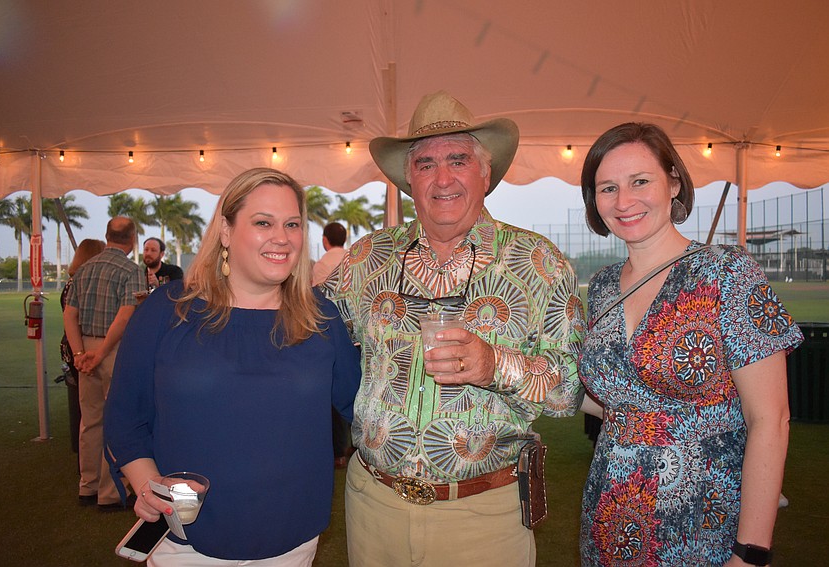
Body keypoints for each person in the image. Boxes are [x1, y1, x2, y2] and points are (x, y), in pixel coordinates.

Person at [320, 91, 584, 567]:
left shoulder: (538, 263)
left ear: (485, 173)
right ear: (409, 179)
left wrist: (494, 365)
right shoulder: (365, 260)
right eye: (426, 164)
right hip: (373, 507)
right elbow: (305, 337)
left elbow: (568, 392)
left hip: (483, 516)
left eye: (458, 160)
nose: (443, 178)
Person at [104, 168, 361, 565]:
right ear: (225, 230)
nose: (282, 237)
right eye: (263, 223)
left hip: (291, 539)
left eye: (292, 224)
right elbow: (124, 419)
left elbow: (365, 406)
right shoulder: (167, 310)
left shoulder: (320, 319)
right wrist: (148, 484)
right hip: (186, 540)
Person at [577, 122, 803, 566]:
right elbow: (620, 400)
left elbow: (770, 419)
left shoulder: (726, 273)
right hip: (609, 517)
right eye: (608, 188)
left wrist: (751, 553)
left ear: (674, 183)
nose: (623, 201)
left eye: (640, 181)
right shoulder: (602, 286)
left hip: (701, 524)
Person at [63, 218, 147, 510]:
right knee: (115, 420)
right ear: (132, 239)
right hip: (114, 350)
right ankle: (109, 493)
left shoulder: (84, 268)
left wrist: (79, 353)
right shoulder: (131, 270)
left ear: (107, 235)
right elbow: (125, 316)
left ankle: (87, 485)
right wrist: (101, 353)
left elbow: (69, 314)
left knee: (90, 421)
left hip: (85, 347)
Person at [312, 221, 353, 467]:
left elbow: (317, 303)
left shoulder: (321, 265)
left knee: (333, 401)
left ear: (325, 240)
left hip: (331, 332)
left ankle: (338, 450)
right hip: (356, 335)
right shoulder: (354, 259)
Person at [60, 238, 106, 455]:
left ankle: (87, 465)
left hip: (76, 348)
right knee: (92, 410)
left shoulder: (74, 282)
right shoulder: (80, 283)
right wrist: (81, 353)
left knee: (88, 410)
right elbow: (73, 317)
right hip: (82, 347)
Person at [311, 221, 348, 286]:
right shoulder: (356, 260)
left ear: (324, 240)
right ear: (345, 239)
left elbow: (319, 291)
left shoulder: (322, 265)